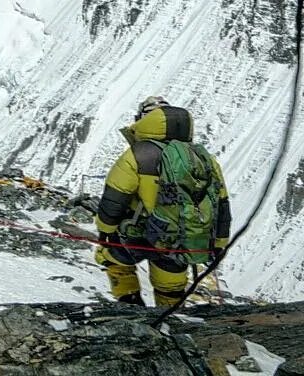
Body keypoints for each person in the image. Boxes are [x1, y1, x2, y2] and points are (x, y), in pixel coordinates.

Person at [93, 95, 231, 307]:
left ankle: (130, 303)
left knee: (111, 258)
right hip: (178, 238)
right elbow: (221, 204)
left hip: (136, 234)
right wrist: (219, 243)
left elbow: (115, 196)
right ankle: (170, 319)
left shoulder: (138, 154)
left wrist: (105, 230)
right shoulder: (203, 158)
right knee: (170, 288)